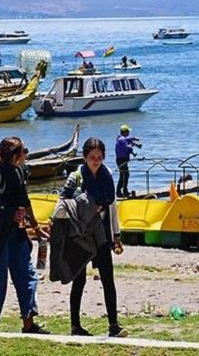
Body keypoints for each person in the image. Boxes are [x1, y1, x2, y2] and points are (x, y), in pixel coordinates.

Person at [0, 137, 50, 334]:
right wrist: (30, 223)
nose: (26, 154)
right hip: (1, 236)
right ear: (16, 155)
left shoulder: (14, 173)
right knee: (22, 277)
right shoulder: (0, 176)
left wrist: (34, 225)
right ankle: (23, 323)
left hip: (11, 234)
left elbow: (23, 201)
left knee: (7, 278)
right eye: (24, 151)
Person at [59, 137, 127, 338]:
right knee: (79, 281)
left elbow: (112, 208)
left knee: (108, 280)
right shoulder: (75, 177)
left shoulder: (107, 177)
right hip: (80, 236)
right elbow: (61, 205)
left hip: (102, 236)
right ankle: (75, 327)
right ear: (84, 157)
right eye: (92, 157)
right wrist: (85, 207)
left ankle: (113, 326)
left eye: (99, 157)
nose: (96, 161)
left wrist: (116, 235)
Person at [115, 125, 140, 198]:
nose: (129, 133)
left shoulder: (121, 138)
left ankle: (125, 190)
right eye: (128, 131)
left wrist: (134, 138)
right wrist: (132, 145)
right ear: (125, 132)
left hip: (122, 159)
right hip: (121, 160)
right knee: (124, 175)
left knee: (125, 175)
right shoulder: (122, 140)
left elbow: (128, 139)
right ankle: (119, 191)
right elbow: (127, 148)